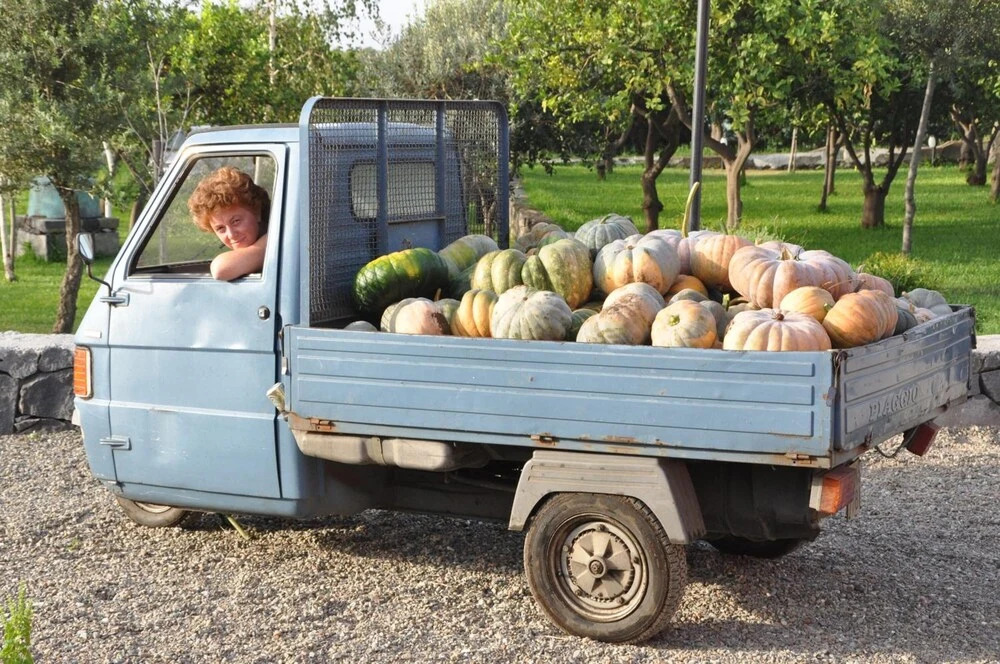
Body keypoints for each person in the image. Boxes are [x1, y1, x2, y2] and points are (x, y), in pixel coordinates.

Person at [187, 166, 270, 280]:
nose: (231, 235)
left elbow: (221, 269)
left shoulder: (283, 241)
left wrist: (274, 242)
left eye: (236, 221)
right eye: (220, 228)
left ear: (257, 213)